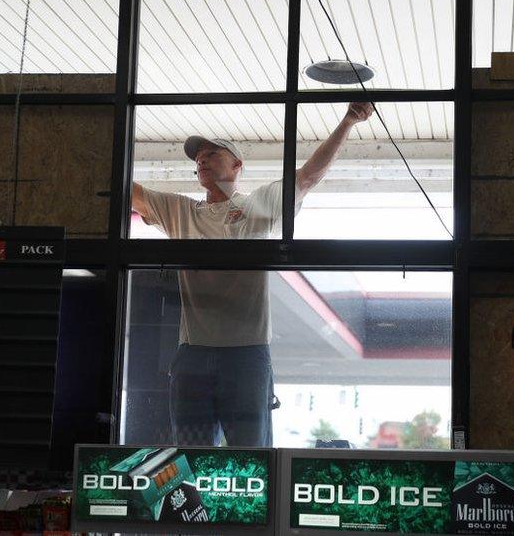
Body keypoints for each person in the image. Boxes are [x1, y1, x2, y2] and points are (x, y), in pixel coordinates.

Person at [131, 101, 374, 446]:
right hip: (192, 352)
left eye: (212, 153)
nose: (201, 159)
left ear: (237, 164)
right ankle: (195, 502)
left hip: (246, 354)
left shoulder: (257, 206)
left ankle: (254, 502)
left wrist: (348, 121)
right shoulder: (180, 211)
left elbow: (307, 177)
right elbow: (130, 192)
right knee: (189, 455)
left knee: (252, 456)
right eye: (198, 157)